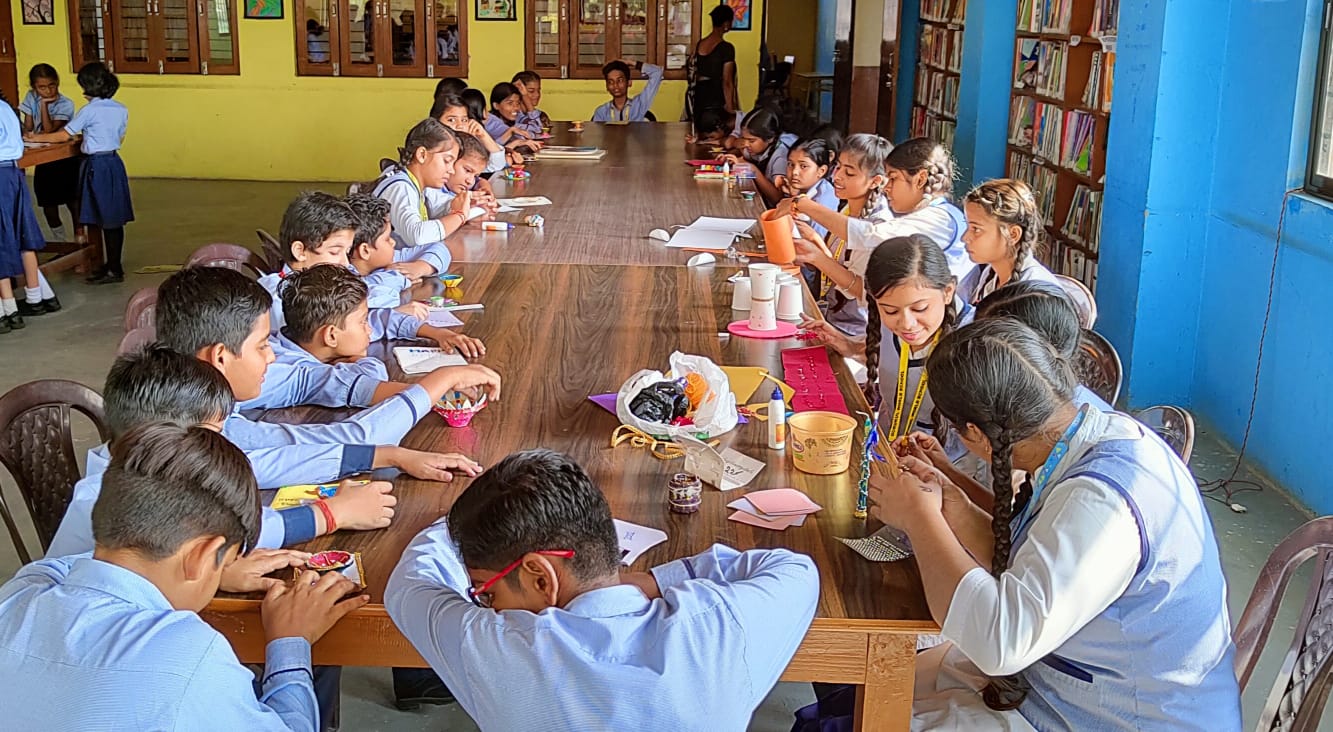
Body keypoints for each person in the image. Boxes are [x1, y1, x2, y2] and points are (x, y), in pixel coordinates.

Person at [872, 319, 1241, 730]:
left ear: (974, 433)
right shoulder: (1092, 432)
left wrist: (920, 520)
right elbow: (1027, 557)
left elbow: (1001, 642)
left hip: (1121, 717)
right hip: (1065, 682)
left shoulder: (1101, 503)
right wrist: (952, 503)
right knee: (877, 689)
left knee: (884, 708)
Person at [385, 448, 820, 731]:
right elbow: (794, 569)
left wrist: (454, 524)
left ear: (541, 578)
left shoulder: (494, 649)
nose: (488, 608)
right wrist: (655, 580)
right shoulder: (716, 626)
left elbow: (409, 584)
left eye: (486, 592)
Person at [0, 421, 369, 731]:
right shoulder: (189, 657)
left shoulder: (20, 593)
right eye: (223, 560)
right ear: (202, 555)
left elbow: (73, 566)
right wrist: (291, 641)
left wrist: (200, 563)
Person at [155, 265, 499, 470]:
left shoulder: (178, 409)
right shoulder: (208, 439)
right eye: (262, 346)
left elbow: (324, 388)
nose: (271, 353)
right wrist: (443, 379)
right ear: (219, 358)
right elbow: (345, 440)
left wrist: (389, 454)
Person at [262, 188, 480, 356]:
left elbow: (370, 320)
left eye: (346, 252)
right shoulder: (277, 303)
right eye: (335, 252)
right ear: (300, 251)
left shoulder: (325, 285)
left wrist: (436, 333)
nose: (346, 264)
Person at [25, 62, 132, 285]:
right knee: (112, 216)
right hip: (113, 162)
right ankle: (112, 264)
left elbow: (62, 135)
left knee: (100, 215)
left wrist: (36, 138)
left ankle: (113, 269)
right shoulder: (121, 108)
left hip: (96, 165)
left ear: (88, 86)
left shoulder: (89, 110)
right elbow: (119, 137)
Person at [788, 133, 894, 339]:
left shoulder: (878, 225)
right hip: (829, 317)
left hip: (853, 330)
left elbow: (861, 289)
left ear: (876, 181)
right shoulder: (846, 209)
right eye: (838, 167)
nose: (837, 177)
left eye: (850, 173)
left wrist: (817, 257)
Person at [371, 120, 477, 283]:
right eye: (447, 160)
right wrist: (460, 215)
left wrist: (466, 206)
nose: (451, 169)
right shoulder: (400, 187)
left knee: (440, 249)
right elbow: (417, 235)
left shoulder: (416, 184)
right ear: (421, 155)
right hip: (375, 271)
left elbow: (434, 211)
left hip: (395, 263)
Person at [957, 178, 1059, 304]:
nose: (964, 237)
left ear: (1013, 234)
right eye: (967, 226)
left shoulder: (1034, 294)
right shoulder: (986, 273)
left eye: (976, 229)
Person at [0, 95, 51, 333]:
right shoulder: (6, 108)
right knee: (22, 235)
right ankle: (35, 297)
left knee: (1, 238)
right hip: (14, 173)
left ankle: (8, 310)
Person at [18, 63, 78, 246]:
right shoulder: (31, 97)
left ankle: (79, 240)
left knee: (72, 202)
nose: (47, 91)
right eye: (41, 88)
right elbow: (28, 127)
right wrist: (28, 132)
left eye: (52, 85)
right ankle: (60, 242)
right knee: (47, 203)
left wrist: (43, 106)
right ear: (34, 87)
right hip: (43, 158)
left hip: (64, 158)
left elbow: (49, 130)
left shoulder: (66, 104)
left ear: (57, 83)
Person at [721, 107, 796, 205]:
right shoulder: (759, 148)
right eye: (744, 139)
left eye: (752, 141)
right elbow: (745, 156)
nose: (746, 144)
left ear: (770, 139)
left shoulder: (780, 157)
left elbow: (778, 199)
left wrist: (754, 171)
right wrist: (732, 158)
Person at [684, 5, 738, 124]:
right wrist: (730, 107)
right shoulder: (727, 48)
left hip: (699, 95)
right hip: (716, 97)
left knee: (701, 133)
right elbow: (727, 81)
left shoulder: (700, 44)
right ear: (726, 24)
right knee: (717, 135)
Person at [430, 93, 507, 176]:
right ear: (435, 122)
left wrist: (483, 135)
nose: (460, 126)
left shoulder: (466, 150)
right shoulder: (432, 152)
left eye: (464, 120)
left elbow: (497, 164)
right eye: (451, 120)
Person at [591, 59, 665, 123]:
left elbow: (657, 72)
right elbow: (597, 137)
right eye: (610, 82)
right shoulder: (601, 112)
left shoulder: (639, 104)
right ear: (606, 86)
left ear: (629, 83)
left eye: (620, 80)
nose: (615, 85)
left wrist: (630, 62)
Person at [484, 82, 541, 164]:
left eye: (518, 103)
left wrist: (525, 96)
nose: (516, 108)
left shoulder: (516, 116)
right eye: (510, 103)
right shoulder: (492, 122)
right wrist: (517, 139)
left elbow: (537, 129)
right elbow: (519, 137)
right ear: (496, 105)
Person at [511, 70, 550, 135]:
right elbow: (537, 130)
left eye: (538, 90)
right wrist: (525, 97)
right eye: (531, 91)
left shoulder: (541, 115)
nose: (537, 94)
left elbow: (543, 132)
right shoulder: (512, 115)